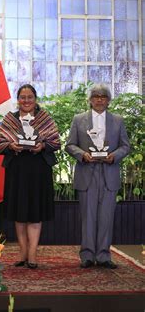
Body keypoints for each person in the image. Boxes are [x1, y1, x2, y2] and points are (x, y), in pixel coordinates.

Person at [65, 84, 130, 269]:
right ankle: (86, 255)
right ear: (90, 100)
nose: (99, 99)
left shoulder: (118, 120)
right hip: (87, 173)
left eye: (103, 96)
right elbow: (70, 145)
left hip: (109, 173)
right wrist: (82, 155)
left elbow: (125, 146)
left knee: (106, 216)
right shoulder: (79, 120)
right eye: (95, 96)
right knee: (88, 216)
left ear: (108, 100)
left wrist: (114, 156)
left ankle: (103, 255)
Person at [0, 84, 60, 269]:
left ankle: (32, 254)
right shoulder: (10, 118)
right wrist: (11, 146)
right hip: (17, 169)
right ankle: (22, 252)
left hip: (38, 170)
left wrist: (42, 146)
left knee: (34, 212)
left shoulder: (44, 118)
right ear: (18, 100)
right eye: (22, 97)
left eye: (30, 97)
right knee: (19, 211)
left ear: (35, 99)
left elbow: (55, 141)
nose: (26, 100)